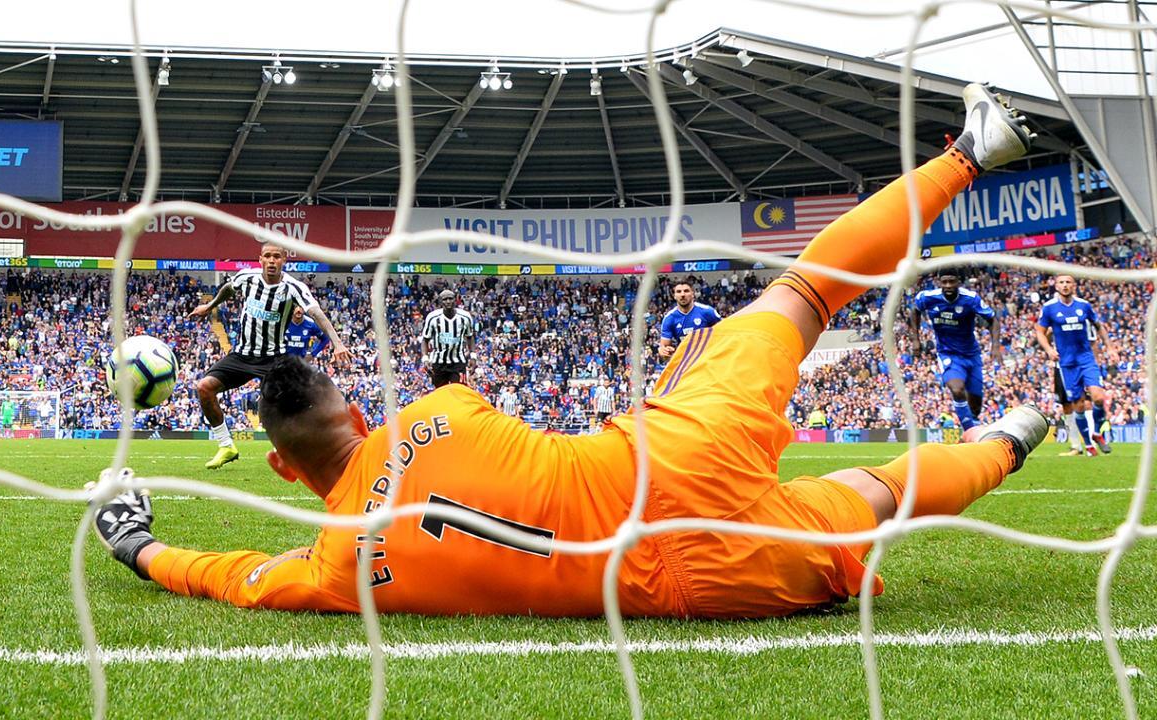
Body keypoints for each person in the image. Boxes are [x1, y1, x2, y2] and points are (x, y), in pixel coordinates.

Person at [96, 83, 1047, 619]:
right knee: (802, 291)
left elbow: (225, 573)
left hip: (694, 584)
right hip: (672, 452)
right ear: (352, 406)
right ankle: (971, 150)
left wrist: (136, 543)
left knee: (877, 492)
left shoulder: (334, 566)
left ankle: (1011, 439)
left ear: (279, 465)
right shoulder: (436, 414)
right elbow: (452, 414)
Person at [188, 242, 351, 470]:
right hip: (241, 355)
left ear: (284, 261)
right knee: (204, 388)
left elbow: (316, 313)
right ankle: (226, 446)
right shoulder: (247, 277)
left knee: (280, 406)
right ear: (261, 259)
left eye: (277, 257)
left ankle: (302, 448)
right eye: (267, 256)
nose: (272, 260)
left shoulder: (293, 288)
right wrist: (210, 306)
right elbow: (228, 288)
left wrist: (338, 343)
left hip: (273, 359)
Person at [908, 272, 1002, 433]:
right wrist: (915, 339)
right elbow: (915, 311)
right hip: (947, 354)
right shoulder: (927, 297)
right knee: (957, 389)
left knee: (976, 406)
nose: (948, 286)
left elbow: (993, 319)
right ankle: (969, 434)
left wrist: (995, 346)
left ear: (959, 281)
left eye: (952, 281)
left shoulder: (971, 299)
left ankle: (972, 427)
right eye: (944, 282)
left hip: (971, 355)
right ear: (939, 282)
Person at [1034, 274, 1116, 456]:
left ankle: (1096, 433)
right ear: (1056, 286)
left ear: (1074, 285)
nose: (1065, 285)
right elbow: (1039, 331)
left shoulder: (1084, 305)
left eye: (1068, 282)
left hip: (1086, 358)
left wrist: (1110, 347)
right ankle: (1088, 445)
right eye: (1061, 282)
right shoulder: (1049, 308)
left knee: (1099, 398)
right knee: (1078, 405)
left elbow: (1098, 326)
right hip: (1067, 363)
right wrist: (1048, 349)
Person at [420, 288, 475, 388]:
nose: (448, 301)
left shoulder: (465, 317)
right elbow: (425, 339)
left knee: (459, 393)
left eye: (450, 298)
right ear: (441, 301)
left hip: (458, 362)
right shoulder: (432, 317)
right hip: (438, 362)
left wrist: (473, 356)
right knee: (440, 394)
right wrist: (425, 358)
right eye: (445, 299)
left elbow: (470, 337)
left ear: (455, 300)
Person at [657, 280, 720, 360]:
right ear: (674, 296)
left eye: (686, 291)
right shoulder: (669, 318)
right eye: (679, 292)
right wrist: (663, 352)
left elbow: (725, 333)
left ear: (693, 294)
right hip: (686, 362)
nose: (682, 294)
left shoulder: (707, 312)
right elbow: (665, 349)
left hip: (708, 360)